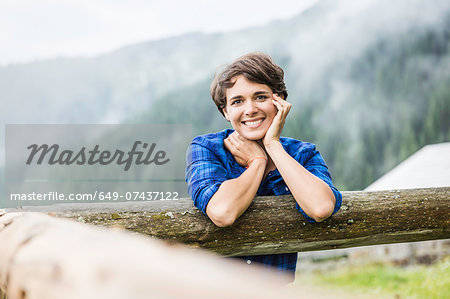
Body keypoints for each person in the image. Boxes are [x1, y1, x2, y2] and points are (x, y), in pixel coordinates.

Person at [185, 52, 342, 282]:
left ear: (279, 101)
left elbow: (320, 207)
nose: (250, 109)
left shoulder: (302, 154)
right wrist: (257, 163)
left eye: (260, 97)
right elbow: (222, 212)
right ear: (226, 112)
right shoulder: (207, 148)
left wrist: (272, 146)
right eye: (237, 101)